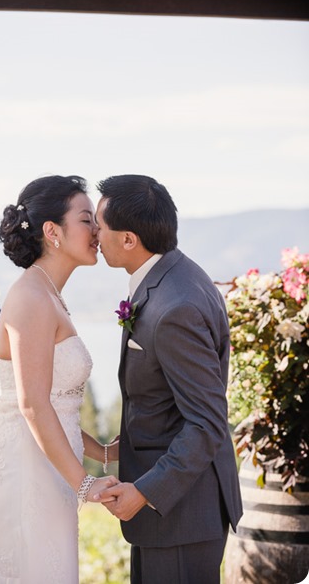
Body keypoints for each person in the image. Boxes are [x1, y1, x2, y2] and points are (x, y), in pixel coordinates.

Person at [94, 174, 243, 584]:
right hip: (170, 515)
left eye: (99, 224)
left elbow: (207, 422)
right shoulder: (171, 276)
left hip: (181, 514)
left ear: (128, 239)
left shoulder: (176, 305)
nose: (93, 233)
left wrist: (144, 492)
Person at [0, 175, 118, 584]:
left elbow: (56, 406)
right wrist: (86, 484)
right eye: (87, 219)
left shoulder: (50, 294)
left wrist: (102, 452)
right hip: (27, 475)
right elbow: (32, 405)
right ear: (52, 232)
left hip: (51, 470)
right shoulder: (32, 296)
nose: (97, 230)